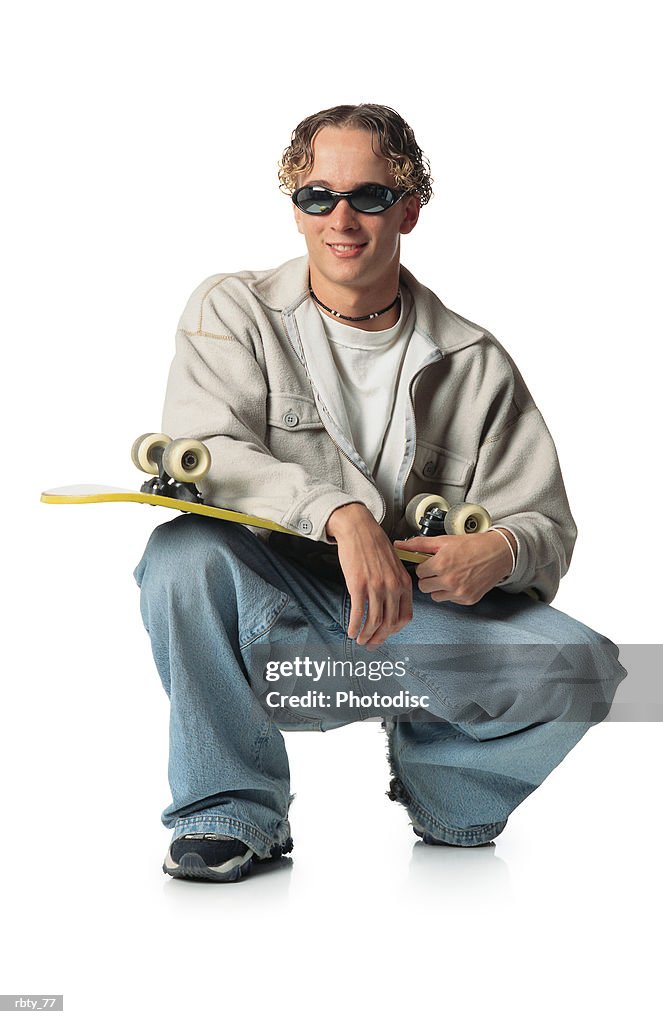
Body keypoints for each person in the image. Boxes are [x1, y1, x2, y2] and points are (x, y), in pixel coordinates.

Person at [133, 103, 626, 882]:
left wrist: (497, 551)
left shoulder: (471, 360)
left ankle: (447, 788)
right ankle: (228, 810)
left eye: (366, 197)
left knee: (589, 667)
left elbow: (545, 525)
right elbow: (211, 448)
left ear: (408, 208)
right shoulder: (234, 310)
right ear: (295, 208)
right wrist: (341, 512)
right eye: (316, 197)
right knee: (181, 554)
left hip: (411, 624)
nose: (341, 219)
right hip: (277, 607)